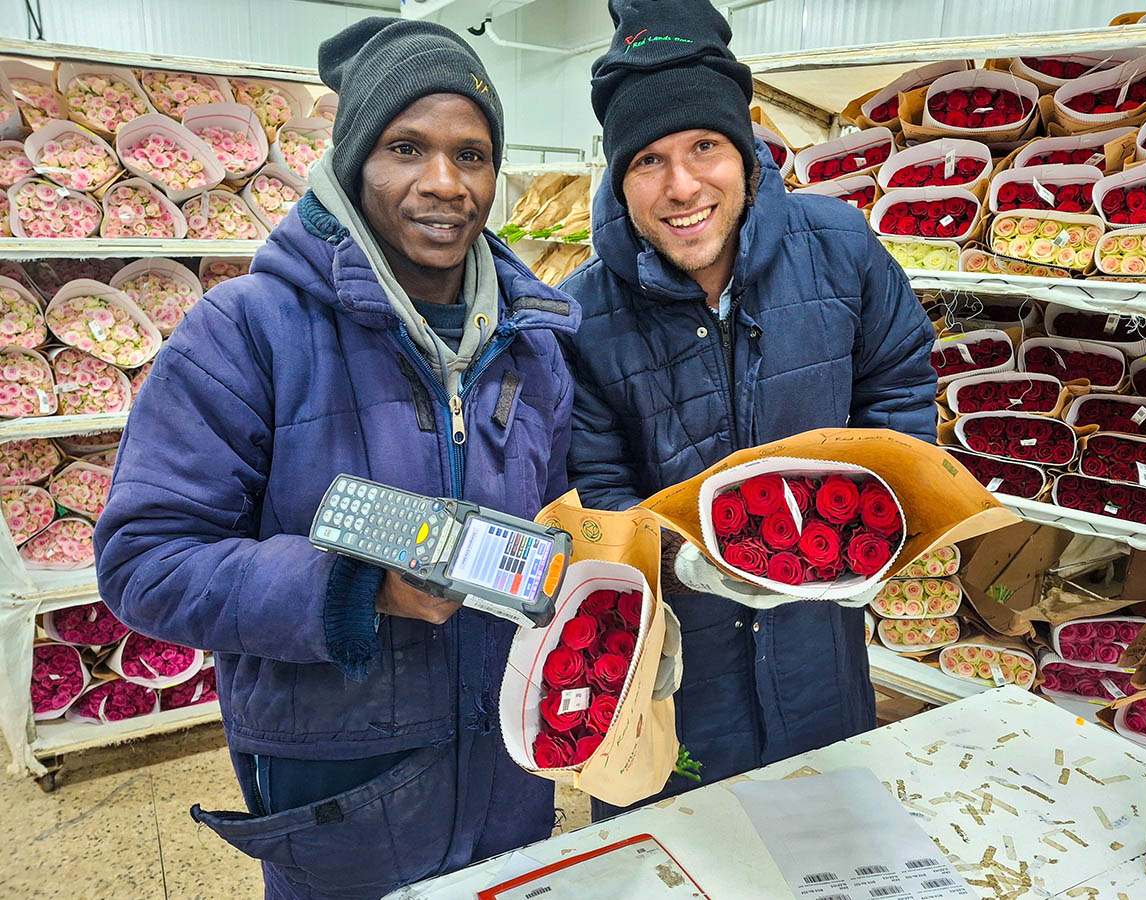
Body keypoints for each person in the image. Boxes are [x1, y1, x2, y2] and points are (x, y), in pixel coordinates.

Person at [94, 18, 578, 900]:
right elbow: (143, 561)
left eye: (471, 155)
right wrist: (357, 587)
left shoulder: (531, 343)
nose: (444, 183)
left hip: (510, 764)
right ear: (354, 161)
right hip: (341, 778)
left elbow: (556, 525)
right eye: (406, 147)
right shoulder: (245, 330)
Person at [560, 0, 937, 819]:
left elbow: (898, 382)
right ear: (618, 175)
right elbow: (594, 489)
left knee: (821, 838)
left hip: (819, 652)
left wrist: (882, 514)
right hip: (671, 678)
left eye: (705, 146)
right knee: (679, 853)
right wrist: (680, 564)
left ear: (745, 149)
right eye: (649, 160)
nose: (683, 185)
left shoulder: (841, 246)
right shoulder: (582, 315)